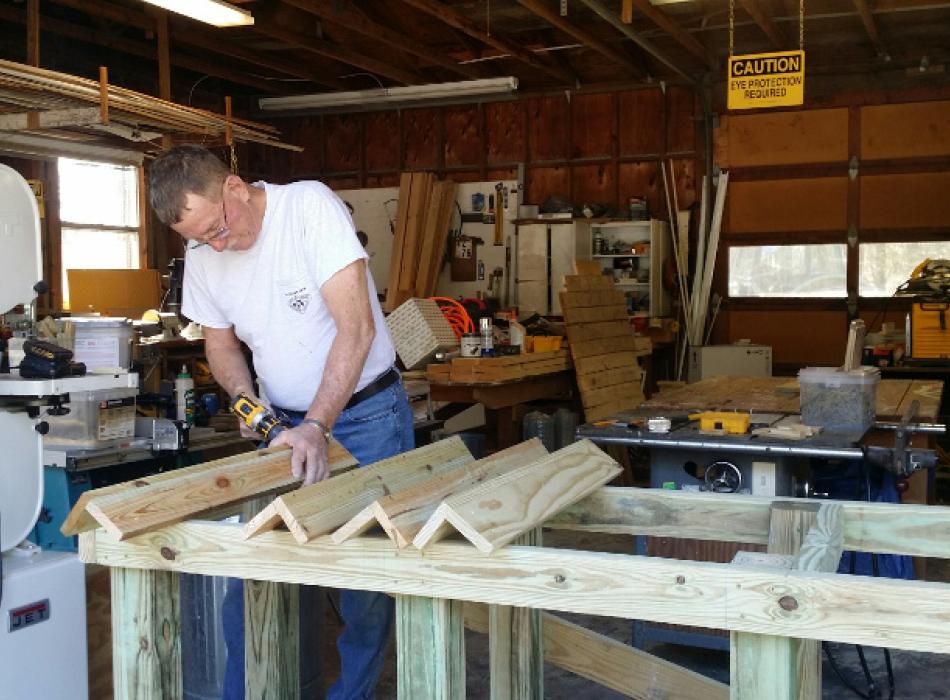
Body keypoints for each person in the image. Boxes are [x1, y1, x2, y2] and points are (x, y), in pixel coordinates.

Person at [148, 144, 414, 700]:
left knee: (365, 583)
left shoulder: (307, 208)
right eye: (201, 239)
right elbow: (219, 344)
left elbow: (357, 329)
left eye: (219, 228)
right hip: (288, 426)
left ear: (236, 188)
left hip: (366, 416)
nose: (216, 245)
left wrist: (317, 425)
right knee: (255, 572)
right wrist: (253, 406)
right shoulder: (204, 251)